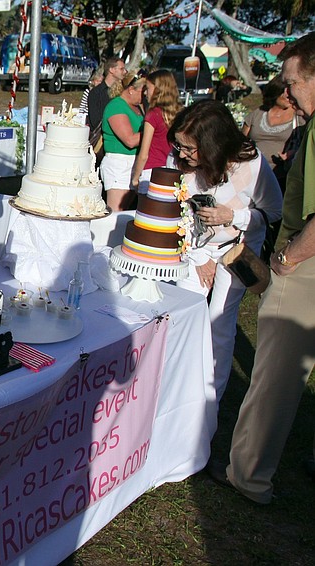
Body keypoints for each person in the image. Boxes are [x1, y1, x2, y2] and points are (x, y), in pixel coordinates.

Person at [210, 32, 315, 504]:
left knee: (274, 379)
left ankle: (248, 476)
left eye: (292, 82)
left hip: (305, 263)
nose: (285, 93)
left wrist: (288, 258)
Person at [168, 100, 282, 408]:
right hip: (193, 249)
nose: (181, 154)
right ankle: (177, 389)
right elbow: (175, 211)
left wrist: (232, 216)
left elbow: (272, 211)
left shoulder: (250, 164)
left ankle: (209, 402)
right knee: (185, 315)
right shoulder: (179, 162)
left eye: (189, 148)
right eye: (179, 146)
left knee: (219, 321)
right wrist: (198, 257)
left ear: (212, 144)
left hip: (236, 252)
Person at [130, 70, 182, 193]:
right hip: (172, 170)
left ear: (158, 90)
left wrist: (135, 178)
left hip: (151, 171)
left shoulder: (153, 114)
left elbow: (144, 154)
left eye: (148, 88)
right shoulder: (179, 113)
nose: (145, 93)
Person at [99, 70, 145, 211]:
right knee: (115, 212)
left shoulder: (138, 107)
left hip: (133, 163)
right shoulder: (116, 106)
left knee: (127, 210)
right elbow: (129, 140)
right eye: (142, 91)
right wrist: (152, 133)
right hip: (118, 165)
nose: (145, 95)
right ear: (131, 90)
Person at [242, 75, 300, 177]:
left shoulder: (299, 116)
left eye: (290, 92)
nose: (288, 96)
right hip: (253, 172)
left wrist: (293, 153)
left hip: (282, 174)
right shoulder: (257, 113)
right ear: (275, 92)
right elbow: (241, 142)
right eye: (284, 92)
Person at [86, 56, 127, 136]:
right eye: (121, 69)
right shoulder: (96, 93)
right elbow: (95, 122)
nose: (125, 72)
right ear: (111, 70)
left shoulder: (122, 92)